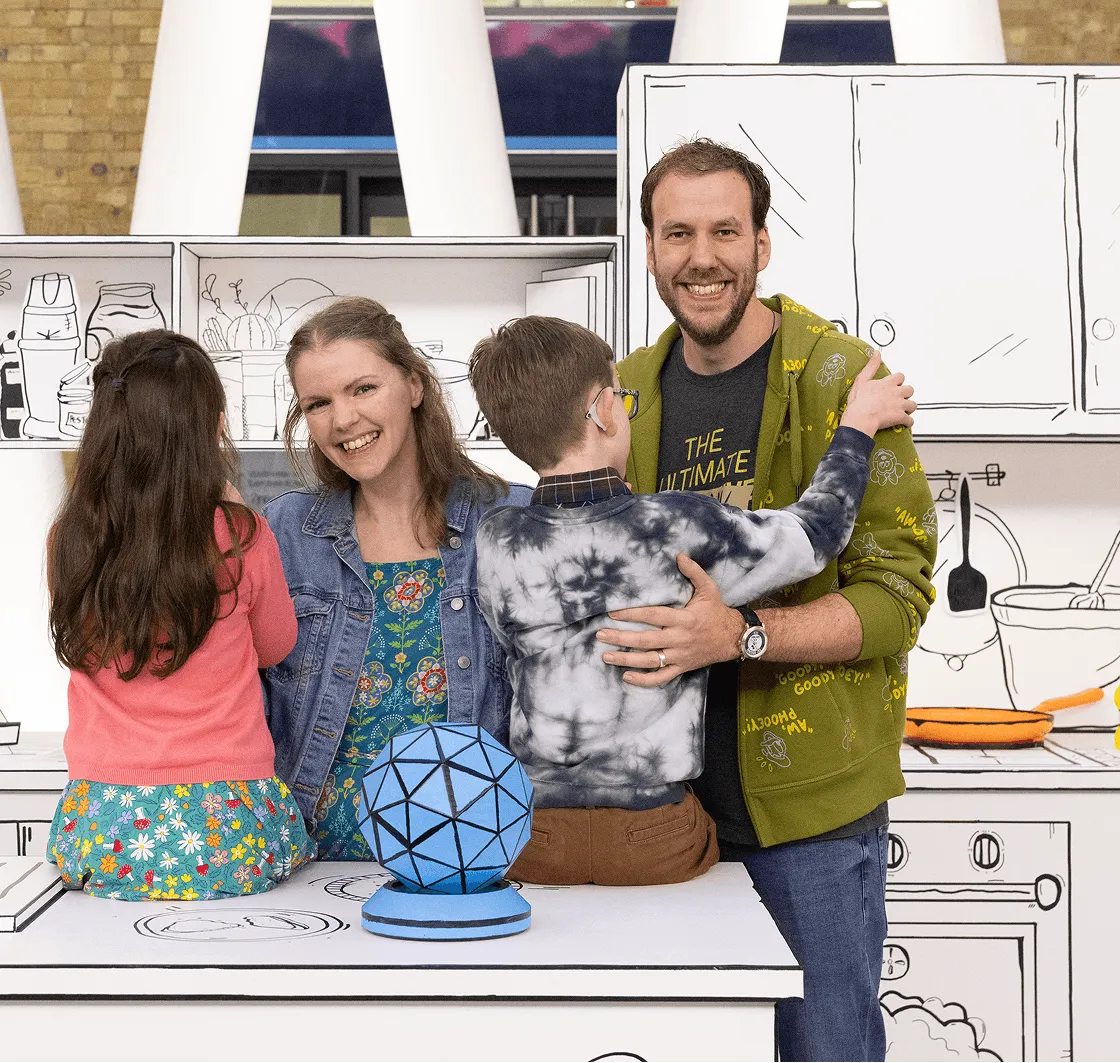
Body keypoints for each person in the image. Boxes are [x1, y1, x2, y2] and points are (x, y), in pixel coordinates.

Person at [598, 139, 938, 1063]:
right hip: (653, 817)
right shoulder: (621, 392)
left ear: (761, 245)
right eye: (678, 233)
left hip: (807, 817)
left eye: (723, 231)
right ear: (651, 247)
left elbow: (897, 596)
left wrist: (738, 634)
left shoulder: (841, 379)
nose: (701, 256)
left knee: (824, 1050)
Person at [468, 315, 915, 888]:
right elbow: (816, 535)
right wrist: (858, 424)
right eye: (623, 400)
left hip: (536, 834)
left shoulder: (497, 539)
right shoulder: (673, 525)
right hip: (653, 830)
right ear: (604, 409)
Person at [45, 330, 314, 900]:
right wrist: (235, 512)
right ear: (215, 427)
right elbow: (277, 646)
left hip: (103, 829)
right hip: (230, 830)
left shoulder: (68, 541)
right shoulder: (241, 536)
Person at [263, 296, 531, 859]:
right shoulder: (287, 530)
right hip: (311, 867)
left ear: (413, 385)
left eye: (363, 389)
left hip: (473, 863)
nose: (342, 421)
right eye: (317, 403)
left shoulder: (511, 521)